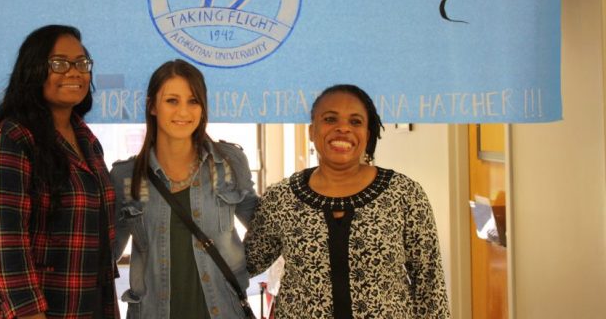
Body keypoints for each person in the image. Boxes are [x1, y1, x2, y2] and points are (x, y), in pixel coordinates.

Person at [245, 84, 450, 318]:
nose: (343, 128)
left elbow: (430, 284)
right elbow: (247, 264)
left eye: (355, 122)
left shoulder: (404, 194)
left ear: (367, 134)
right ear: (311, 131)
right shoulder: (281, 198)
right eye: (330, 119)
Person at [0, 25, 119, 319]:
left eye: (82, 63)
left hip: (81, 305)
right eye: (59, 63)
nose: (74, 72)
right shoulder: (10, 139)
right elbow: (5, 249)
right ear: (33, 71)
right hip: (22, 312)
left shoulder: (86, 139)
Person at [110, 59, 259, 318]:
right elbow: (105, 254)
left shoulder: (229, 162)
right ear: (152, 106)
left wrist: (241, 268)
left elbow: (267, 227)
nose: (183, 112)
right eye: (172, 101)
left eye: (193, 101)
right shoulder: (126, 177)